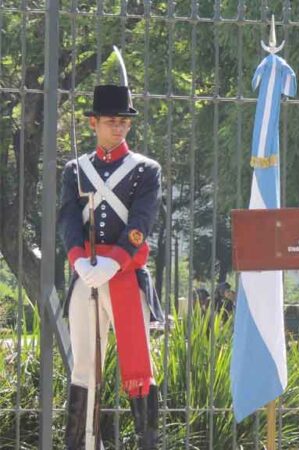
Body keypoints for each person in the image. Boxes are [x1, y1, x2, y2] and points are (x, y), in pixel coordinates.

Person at [58, 66, 163, 449]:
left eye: (124, 122)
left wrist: (114, 261)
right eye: (111, 121)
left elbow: (141, 222)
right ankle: (82, 442)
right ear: (93, 123)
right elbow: (68, 218)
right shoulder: (75, 170)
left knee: (139, 366)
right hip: (86, 274)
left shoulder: (145, 170)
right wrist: (79, 261)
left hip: (123, 274)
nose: (118, 128)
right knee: (85, 365)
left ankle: (148, 442)